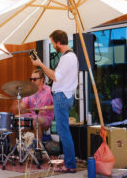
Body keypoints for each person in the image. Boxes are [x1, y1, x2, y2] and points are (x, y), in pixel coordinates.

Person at [31, 30, 78, 173]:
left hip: (62, 97)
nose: (52, 45)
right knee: (64, 131)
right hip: (65, 96)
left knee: (64, 132)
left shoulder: (67, 58)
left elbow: (56, 77)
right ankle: (69, 162)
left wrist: (40, 64)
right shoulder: (70, 57)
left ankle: (70, 165)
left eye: (52, 43)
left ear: (58, 43)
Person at [11, 69, 54, 140]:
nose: (32, 81)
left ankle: (39, 147)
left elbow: (57, 106)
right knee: (13, 119)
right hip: (32, 116)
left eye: (34, 79)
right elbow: (23, 106)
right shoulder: (30, 91)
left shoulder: (49, 90)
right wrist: (18, 105)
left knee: (35, 121)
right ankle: (12, 147)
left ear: (42, 79)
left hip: (46, 117)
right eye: (31, 79)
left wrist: (45, 107)